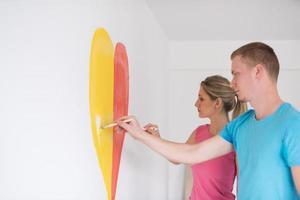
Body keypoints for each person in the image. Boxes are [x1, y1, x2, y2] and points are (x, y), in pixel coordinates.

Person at [117, 42, 300, 199]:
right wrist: (140, 134)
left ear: (257, 71)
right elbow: (194, 153)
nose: (232, 82)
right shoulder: (240, 126)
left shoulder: (293, 124)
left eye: (236, 73)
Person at [145, 75, 247, 200]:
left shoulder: (236, 139)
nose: (196, 103)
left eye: (201, 99)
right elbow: (176, 158)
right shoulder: (199, 133)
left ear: (217, 103)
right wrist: (156, 138)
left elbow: (244, 187)